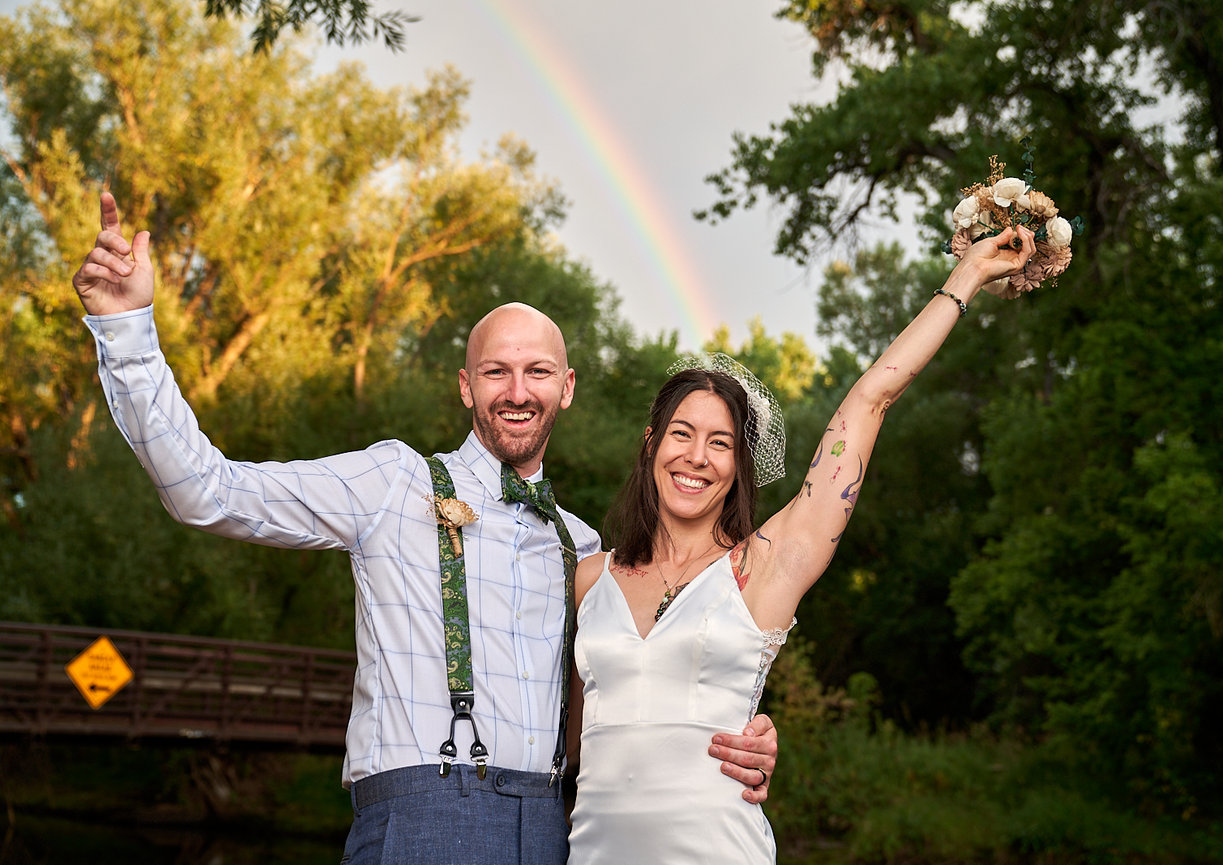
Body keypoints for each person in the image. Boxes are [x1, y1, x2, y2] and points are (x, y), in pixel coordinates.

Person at [71, 191, 777, 865]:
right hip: (421, 818)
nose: (518, 390)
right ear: (466, 387)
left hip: (555, 829)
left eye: (537, 371)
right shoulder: (390, 483)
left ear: (565, 387)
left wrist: (736, 742)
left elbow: (635, 697)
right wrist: (128, 332)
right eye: (495, 371)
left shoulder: (586, 550)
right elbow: (207, 490)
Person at [564, 225, 1037, 864]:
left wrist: (968, 278)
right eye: (682, 433)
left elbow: (871, 399)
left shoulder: (764, 567)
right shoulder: (589, 578)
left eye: (721, 442)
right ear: (652, 443)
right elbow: (568, 742)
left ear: (739, 465)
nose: (696, 457)